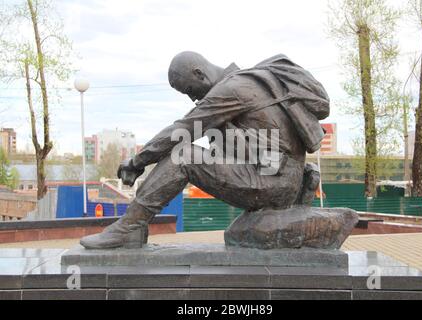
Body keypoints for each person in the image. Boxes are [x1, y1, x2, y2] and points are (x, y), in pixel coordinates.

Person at [80, 51, 329, 249]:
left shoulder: (231, 89)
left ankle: (130, 227)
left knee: (184, 156)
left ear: (199, 74)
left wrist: (136, 162)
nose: (191, 98)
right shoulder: (249, 80)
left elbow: (184, 128)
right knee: (200, 142)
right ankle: (134, 225)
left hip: (275, 183)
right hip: (280, 175)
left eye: (188, 90)